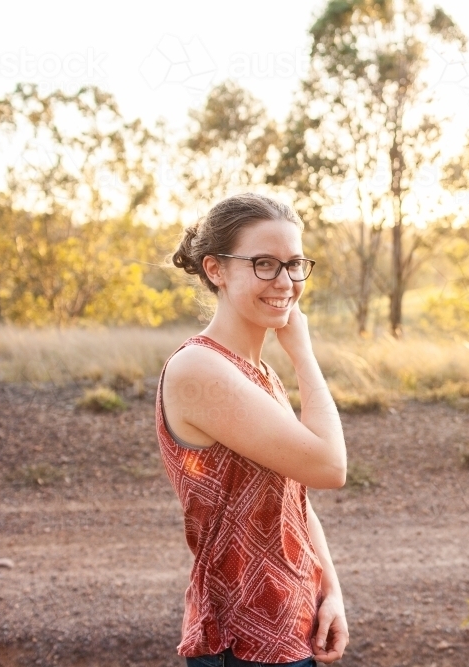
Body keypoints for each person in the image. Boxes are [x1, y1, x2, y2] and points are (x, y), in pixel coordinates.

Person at [156, 192, 349, 666]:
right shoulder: (199, 368)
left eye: (294, 264)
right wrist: (303, 353)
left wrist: (330, 590)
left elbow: (295, 494)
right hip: (240, 640)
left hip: (292, 628)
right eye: (264, 263)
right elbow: (330, 466)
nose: (285, 281)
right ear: (215, 269)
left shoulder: (258, 372)